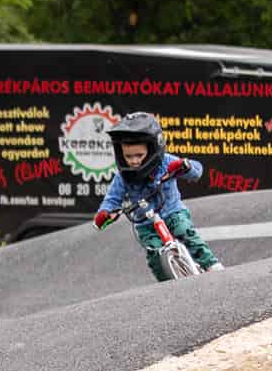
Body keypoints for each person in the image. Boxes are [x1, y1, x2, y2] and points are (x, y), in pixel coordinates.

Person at [93, 111, 224, 279]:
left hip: (172, 212)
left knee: (184, 230)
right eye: (128, 156)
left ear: (153, 148)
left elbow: (197, 170)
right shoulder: (123, 176)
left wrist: (185, 166)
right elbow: (112, 199)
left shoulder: (166, 161)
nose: (134, 161)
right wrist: (105, 213)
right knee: (154, 255)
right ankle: (165, 285)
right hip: (145, 223)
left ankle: (211, 264)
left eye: (139, 155)